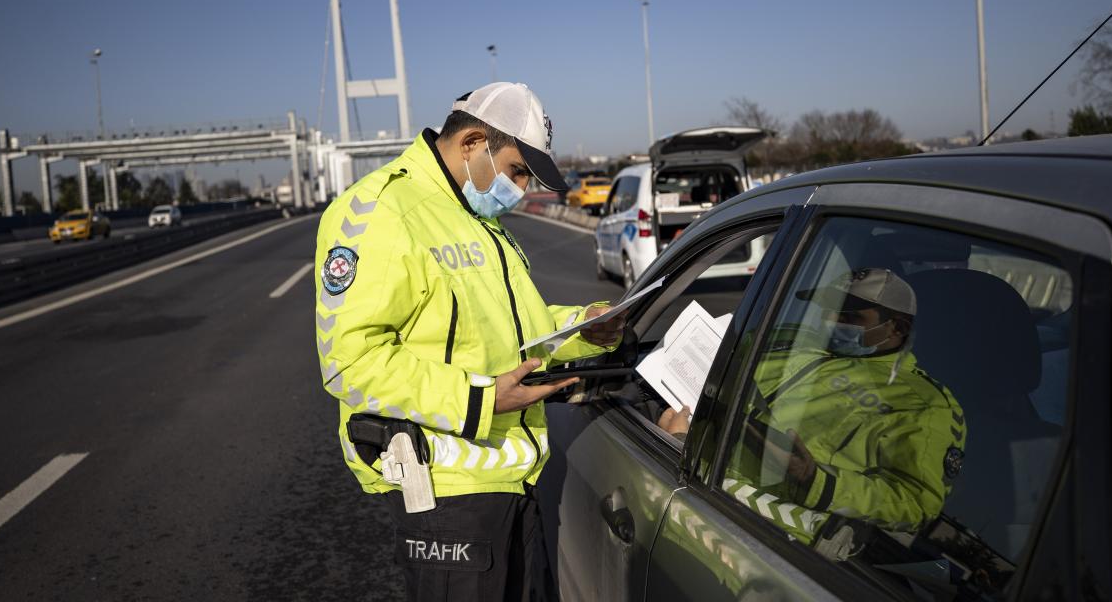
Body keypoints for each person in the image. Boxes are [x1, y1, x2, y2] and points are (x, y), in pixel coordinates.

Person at [314, 82, 624, 600]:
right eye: (517, 170)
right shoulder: (379, 212)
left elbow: (517, 330)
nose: (521, 188)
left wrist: (586, 327)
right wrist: (479, 399)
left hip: (516, 478)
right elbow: (350, 362)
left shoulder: (477, 219)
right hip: (447, 492)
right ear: (472, 143)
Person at [659, 267, 965, 546]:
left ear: (896, 328)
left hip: (763, 534)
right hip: (693, 474)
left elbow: (916, 504)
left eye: (849, 317)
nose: (831, 322)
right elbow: (721, 358)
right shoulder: (788, 336)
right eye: (828, 310)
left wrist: (818, 481)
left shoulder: (926, 405)